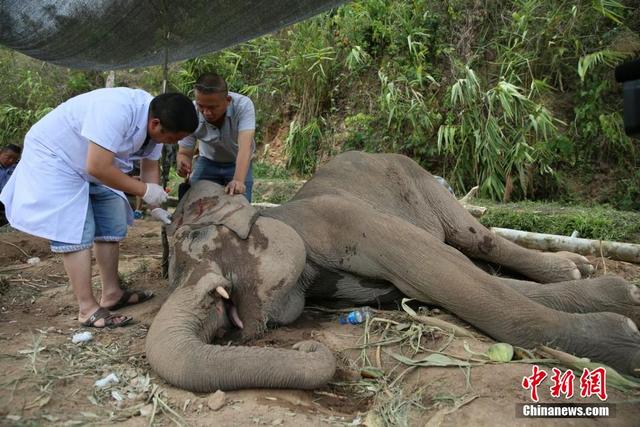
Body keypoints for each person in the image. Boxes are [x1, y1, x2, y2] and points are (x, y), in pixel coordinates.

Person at [0, 88, 198, 328]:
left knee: (112, 216)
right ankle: (87, 308)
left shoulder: (158, 118)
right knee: (76, 229)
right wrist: (144, 191)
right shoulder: (116, 110)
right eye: (172, 139)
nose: (173, 144)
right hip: (57, 158)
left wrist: (154, 203)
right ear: (156, 124)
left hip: (92, 162)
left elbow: (149, 165)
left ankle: (112, 293)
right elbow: (98, 167)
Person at [176, 72, 256, 201]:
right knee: (193, 202)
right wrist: (182, 163)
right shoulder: (191, 111)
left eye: (213, 107)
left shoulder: (243, 106)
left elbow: (245, 148)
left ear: (228, 101)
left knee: (240, 204)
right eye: (201, 106)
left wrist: (238, 180)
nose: (206, 112)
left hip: (238, 162)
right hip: (207, 161)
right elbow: (184, 152)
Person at [0, 144, 22, 226]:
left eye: (14, 159)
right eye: (8, 157)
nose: (11, 161)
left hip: (8, 201)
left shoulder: (17, 168)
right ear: (1, 153)